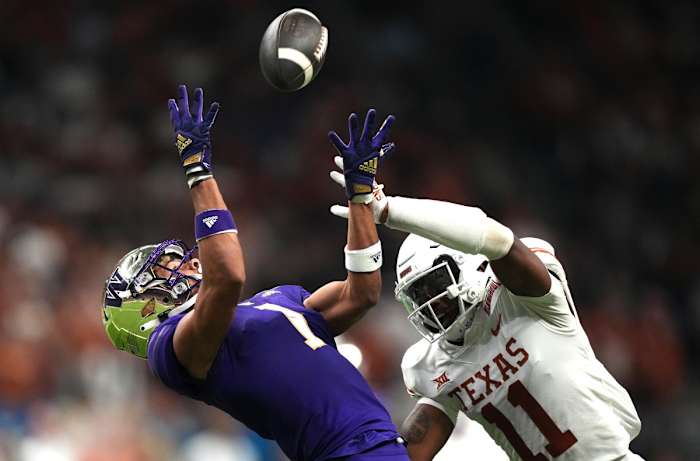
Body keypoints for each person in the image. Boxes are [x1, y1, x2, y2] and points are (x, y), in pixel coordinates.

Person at [101, 85, 410, 461]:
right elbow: (228, 276)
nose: (184, 264)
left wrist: (359, 196)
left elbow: (361, 293)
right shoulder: (170, 349)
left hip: (380, 445)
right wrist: (197, 169)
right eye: (164, 269)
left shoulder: (279, 299)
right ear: (142, 310)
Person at [328, 125, 643, 460]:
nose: (429, 303)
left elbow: (498, 241)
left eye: (433, 285)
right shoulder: (433, 365)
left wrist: (387, 209)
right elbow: (407, 456)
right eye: (416, 295)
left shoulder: (524, 300)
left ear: (466, 265)